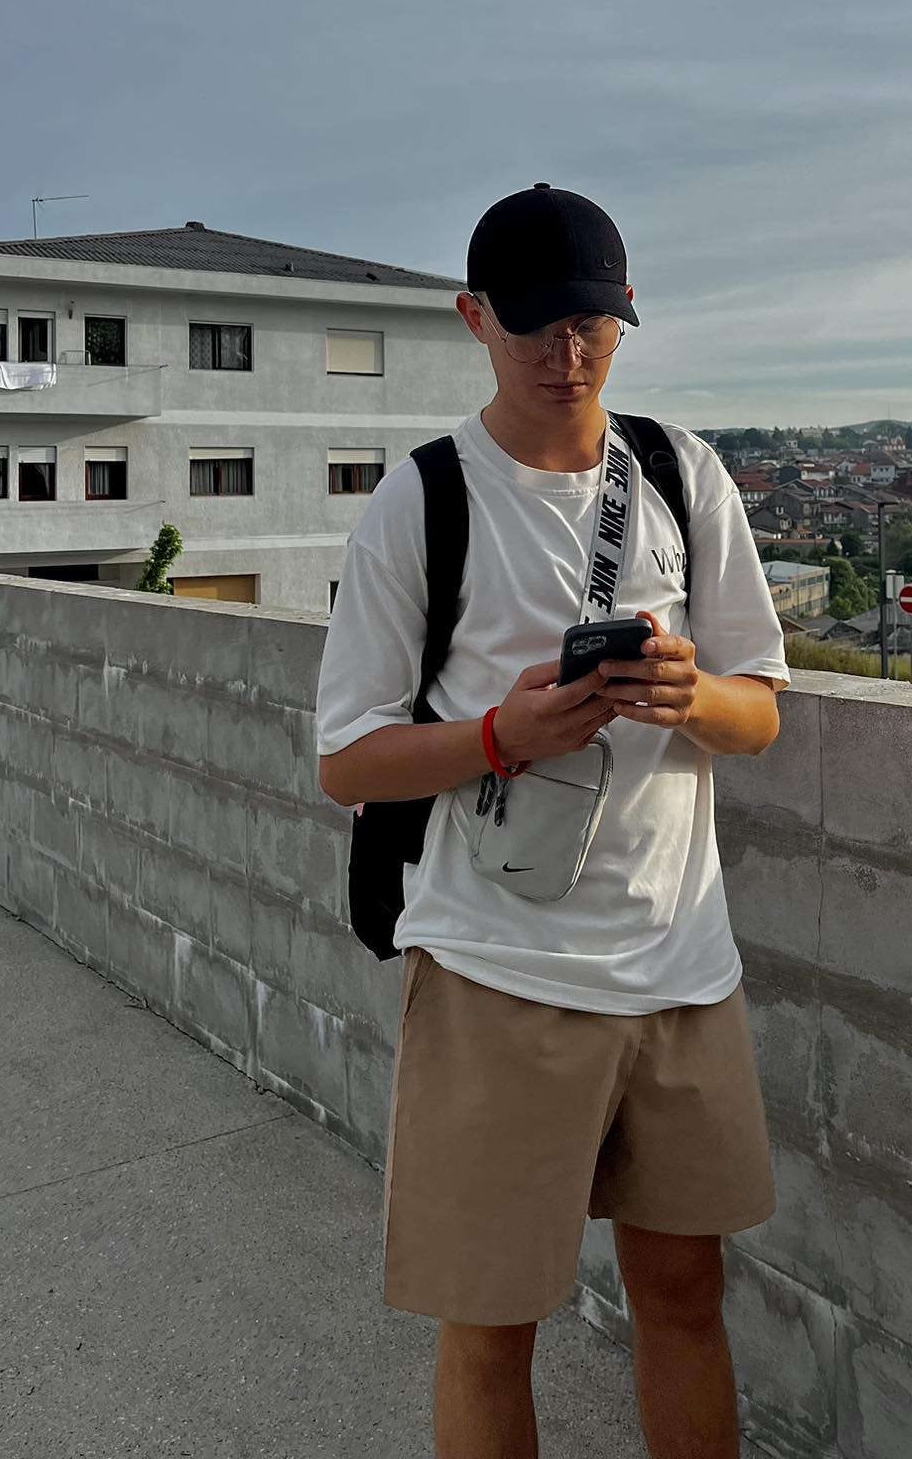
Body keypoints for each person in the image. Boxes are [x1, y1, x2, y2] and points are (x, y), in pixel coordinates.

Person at [317, 183, 788, 1459]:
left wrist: (689, 692)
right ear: (474, 317)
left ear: (625, 319)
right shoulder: (424, 499)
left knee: (685, 1296)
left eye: (590, 322)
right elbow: (347, 761)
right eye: (532, 322)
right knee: (490, 1326)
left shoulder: (683, 472)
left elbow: (759, 711)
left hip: (683, 963)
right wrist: (498, 735)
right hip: (497, 969)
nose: (564, 351)